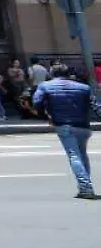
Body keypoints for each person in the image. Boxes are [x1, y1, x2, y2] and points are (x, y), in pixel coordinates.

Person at [32, 64, 95, 200]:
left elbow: (37, 102)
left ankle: (85, 187)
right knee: (82, 155)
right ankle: (84, 186)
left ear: (51, 73)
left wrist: (46, 116)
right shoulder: (84, 87)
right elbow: (95, 105)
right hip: (83, 126)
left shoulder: (45, 86)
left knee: (74, 155)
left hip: (63, 124)